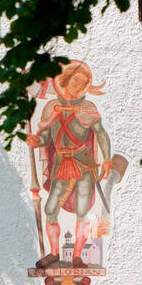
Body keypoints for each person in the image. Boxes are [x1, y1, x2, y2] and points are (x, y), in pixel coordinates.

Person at [27, 61, 113, 268]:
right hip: (61, 164)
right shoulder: (51, 108)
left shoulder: (87, 108)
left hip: (84, 164)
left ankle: (76, 256)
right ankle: (54, 253)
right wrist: (35, 140)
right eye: (76, 80)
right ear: (64, 80)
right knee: (50, 208)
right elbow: (46, 137)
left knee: (82, 209)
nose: (79, 85)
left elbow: (101, 133)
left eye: (83, 82)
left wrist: (107, 159)